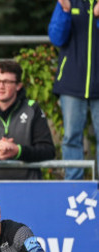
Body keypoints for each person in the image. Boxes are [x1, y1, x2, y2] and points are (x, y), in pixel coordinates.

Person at [49, 0, 99, 180]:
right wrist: (65, 11)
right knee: (71, 137)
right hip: (71, 84)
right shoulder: (69, 1)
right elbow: (56, 37)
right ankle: (74, 184)